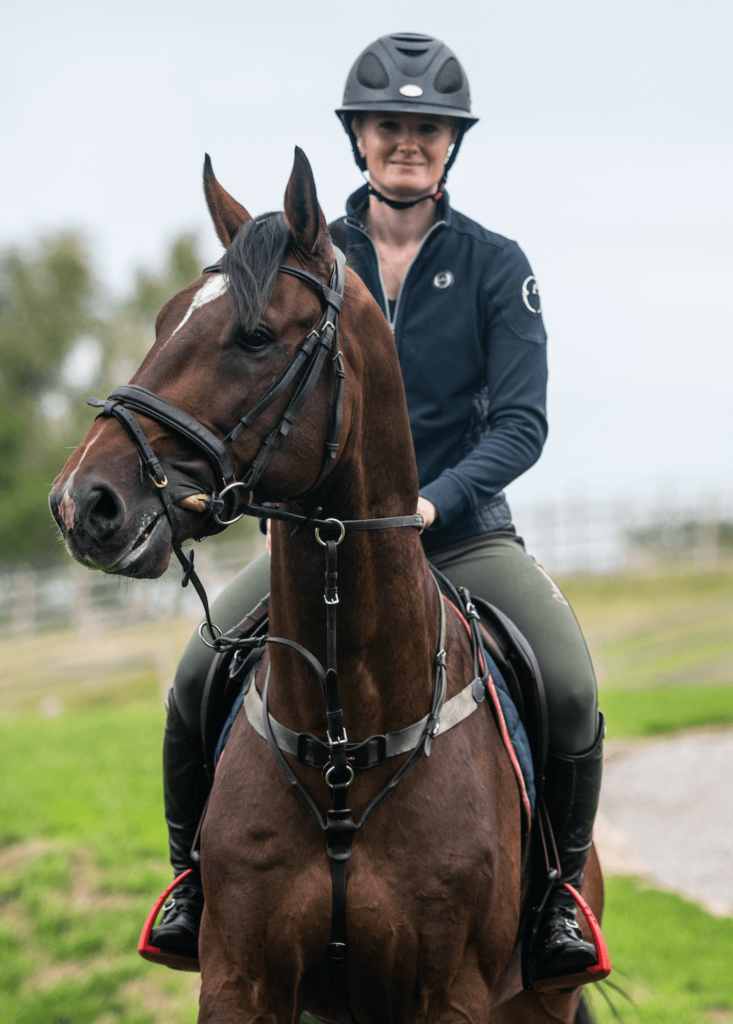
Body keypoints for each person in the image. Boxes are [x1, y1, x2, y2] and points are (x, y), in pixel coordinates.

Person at [151, 33, 604, 983]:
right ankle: (191, 883)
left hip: (463, 536)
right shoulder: (309, 259)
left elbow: (520, 424)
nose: (408, 141)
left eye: (428, 128)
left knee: (567, 684)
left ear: (451, 145)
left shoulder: (493, 263)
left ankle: (558, 897)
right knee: (198, 672)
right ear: (357, 137)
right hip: (314, 541)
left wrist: (435, 504)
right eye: (390, 125)